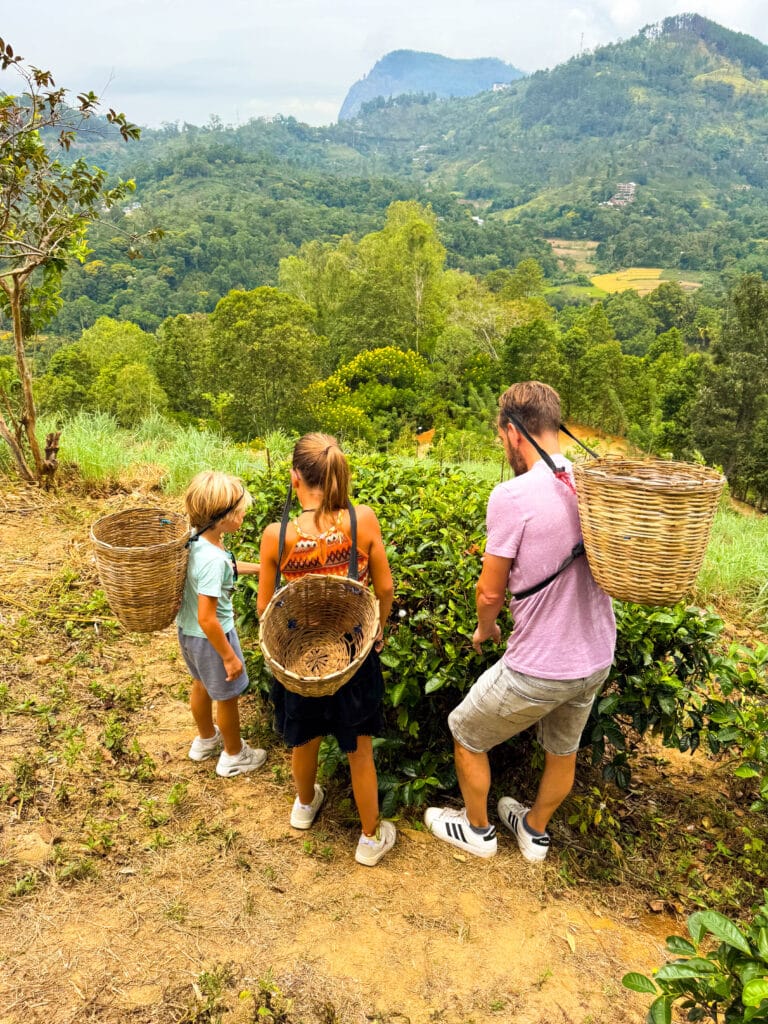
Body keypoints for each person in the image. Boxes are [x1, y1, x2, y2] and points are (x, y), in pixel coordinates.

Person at [424, 381, 616, 861]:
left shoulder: (511, 495)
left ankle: (478, 831)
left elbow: (490, 589)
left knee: (465, 731)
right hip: (595, 657)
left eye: (499, 436)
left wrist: (485, 626)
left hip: (540, 666)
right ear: (555, 426)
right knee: (562, 751)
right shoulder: (595, 481)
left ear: (513, 432)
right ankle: (534, 830)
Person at [257, 433, 396, 867]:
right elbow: (386, 587)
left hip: (301, 661)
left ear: (295, 477)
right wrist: (378, 629)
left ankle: (303, 805)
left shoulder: (276, 535)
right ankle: (370, 838)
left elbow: (265, 607)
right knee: (359, 749)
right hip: (353, 656)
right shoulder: (362, 522)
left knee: (306, 737)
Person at [177, 471, 267, 779]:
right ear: (224, 517)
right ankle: (233, 754)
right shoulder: (213, 561)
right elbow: (208, 617)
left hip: (189, 635)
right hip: (213, 637)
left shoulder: (195, 540)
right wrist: (228, 655)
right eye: (240, 510)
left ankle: (205, 740)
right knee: (227, 697)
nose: (243, 513)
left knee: (201, 684)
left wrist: (264, 568)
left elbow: (227, 566)